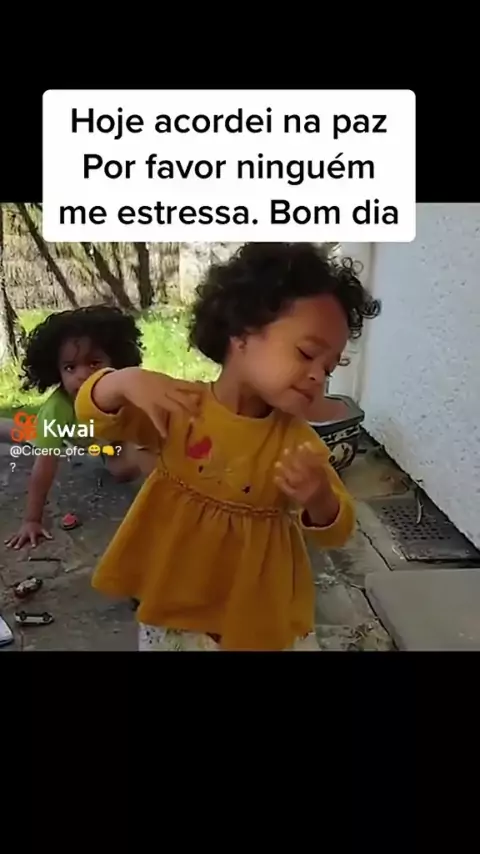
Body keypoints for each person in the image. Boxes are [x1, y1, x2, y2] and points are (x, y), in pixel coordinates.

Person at [75, 243, 380, 651]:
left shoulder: (295, 442)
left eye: (328, 367)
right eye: (307, 353)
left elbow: (337, 529)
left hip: (255, 615)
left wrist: (319, 498)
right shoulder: (179, 407)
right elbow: (93, 414)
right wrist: (122, 380)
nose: (317, 376)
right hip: (176, 608)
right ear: (241, 332)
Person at [5, 305, 158, 550]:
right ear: (56, 372)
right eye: (70, 367)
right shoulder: (58, 409)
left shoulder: (125, 392)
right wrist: (32, 520)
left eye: (94, 363)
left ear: (116, 362)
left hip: (110, 442)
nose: (82, 375)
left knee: (125, 469)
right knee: (25, 433)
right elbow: (44, 468)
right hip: (72, 436)